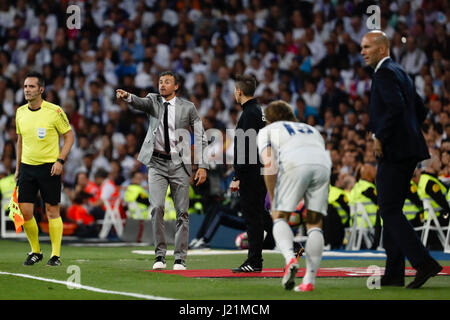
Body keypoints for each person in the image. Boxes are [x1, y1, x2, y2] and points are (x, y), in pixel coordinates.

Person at [361, 30, 442, 289]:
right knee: (391, 209)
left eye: (367, 47)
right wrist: (408, 131)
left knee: (389, 209)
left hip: (394, 151)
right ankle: (394, 273)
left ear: (382, 50)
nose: (362, 51)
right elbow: (421, 110)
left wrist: (380, 136)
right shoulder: (400, 72)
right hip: (408, 149)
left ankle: (424, 262)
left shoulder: (384, 73)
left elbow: (396, 107)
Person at [116, 71, 208, 271]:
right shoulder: (153, 100)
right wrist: (128, 97)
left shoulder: (188, 107)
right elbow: (139, 102)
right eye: (160, 82)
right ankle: (159, 255)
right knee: (157, 207)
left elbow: (200, 136)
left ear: (176, 86)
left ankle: (180, 259)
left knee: (182, 212)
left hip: (180, 164)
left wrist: (202, 166)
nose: (162, 85)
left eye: (167, 82)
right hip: (156, 163)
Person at [257, 100, 331, 292]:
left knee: (279, 217)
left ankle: (291, 258)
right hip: (323, 165)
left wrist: (273, 199)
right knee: (314, 223)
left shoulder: (267, 131)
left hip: (295, 163)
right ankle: (309, 281)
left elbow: (269, 164)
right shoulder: (310, 128)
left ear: (270, 119)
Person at [15, 71, 74, 266]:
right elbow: (20, 141)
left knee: (52, 211)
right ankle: (36, 251)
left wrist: (60, 161)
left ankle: (55, 255)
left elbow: (69, 136)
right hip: (27, 167)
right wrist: (17, 168)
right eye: (25, 86)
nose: (27, 90)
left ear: (41, 89)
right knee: (25, 212)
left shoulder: (54, 111)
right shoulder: (20, 112)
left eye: (31, 86)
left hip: (49, 167)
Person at [229, 74, 274, 273]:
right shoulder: (258, 111)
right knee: (261, 216)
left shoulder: (248, 114)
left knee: (253, 218)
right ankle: (295, 247)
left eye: (234, 90)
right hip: (261, 169)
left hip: (251, 172)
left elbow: (244, 148)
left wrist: (237, 176)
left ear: (239, 91)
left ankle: (254, 261)